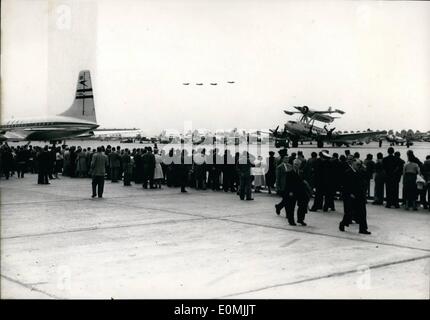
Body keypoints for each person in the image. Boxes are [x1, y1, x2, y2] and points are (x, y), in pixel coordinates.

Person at [339, 158, 371, 235]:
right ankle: (343, 223)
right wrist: (350, 193)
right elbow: (345, 185)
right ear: (352, 164)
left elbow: (368, 176)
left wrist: (364, 167)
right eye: (357, 164)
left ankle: (363, 229)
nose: (358, 166)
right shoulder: (348, 172)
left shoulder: (360, 171)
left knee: (362, 212)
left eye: (359, 165)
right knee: (349, 213)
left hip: (360, 195)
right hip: (351, 195)